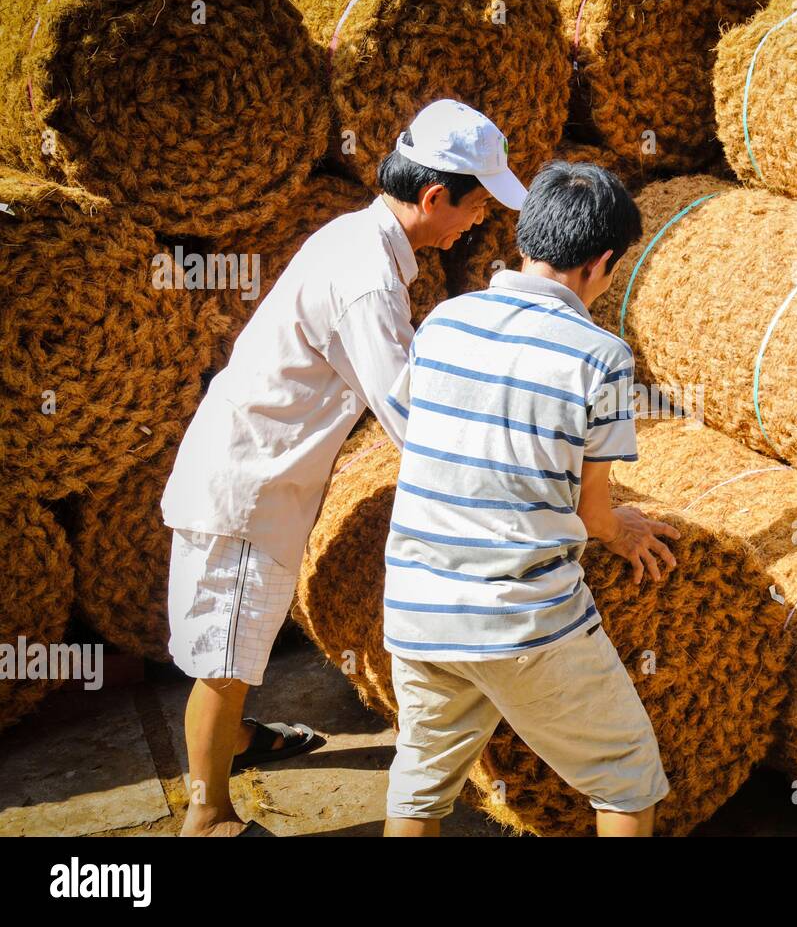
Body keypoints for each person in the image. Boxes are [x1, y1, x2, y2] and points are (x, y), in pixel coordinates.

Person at [159, 100, 528, 837]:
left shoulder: (359, 238)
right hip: (247, 489)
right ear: (433, 197)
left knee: (234, 642)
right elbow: (407, 411)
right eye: (477, 204)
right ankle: (207, 813)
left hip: (260, 475)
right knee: (222, 659)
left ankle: (234, 738)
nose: (479, 221)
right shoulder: (367, 277)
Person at [381, 161, 679, 837]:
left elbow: (426, 441)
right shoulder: (600, 355)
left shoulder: (445, 322)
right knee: (627, 772)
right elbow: (592, 512)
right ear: (601, 263)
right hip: (521, 618)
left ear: (526, 238)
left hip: (417, 608)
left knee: (421, 779)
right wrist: (624, 532)